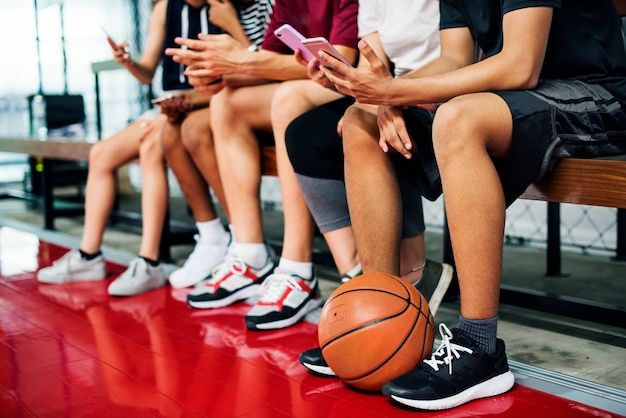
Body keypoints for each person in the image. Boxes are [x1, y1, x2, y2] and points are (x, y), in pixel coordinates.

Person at [316, 0, 626, 411]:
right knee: (361, 119)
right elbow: (453, 58)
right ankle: (378, 317)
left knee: (459, 118)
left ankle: (480, 349)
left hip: (596, 93)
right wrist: (377, 95)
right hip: (518, 98)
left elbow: (520, 66)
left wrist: (397, 91)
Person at [36, 0, 256, 297]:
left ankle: (150, 260)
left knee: (153, 145)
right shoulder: (166, 8)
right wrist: (127, 60)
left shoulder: (226, 8)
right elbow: (146, 73)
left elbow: (251, 70)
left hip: (207, 104)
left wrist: (232, 26)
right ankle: (89, 256)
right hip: (167, 105)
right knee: (101, 154)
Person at [165, 0, 360, 330]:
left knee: (287, 99)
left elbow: (343, 60)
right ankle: (250, 254)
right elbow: (266, 64)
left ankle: (297, 269)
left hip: (348, 86)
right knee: (224, 103)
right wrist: (217, 74)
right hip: (308, 84)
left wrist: (239, 61)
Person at [284, 0, 454, 377]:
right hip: (393, 89)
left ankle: (386, 308)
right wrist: (342, 80)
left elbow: (464, 57)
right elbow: (369, 66)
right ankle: (373, 282)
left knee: (361, 123)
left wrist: (389, 95)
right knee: (304, 135)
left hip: (448, 89)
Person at [160, 0, 275, 289]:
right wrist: (190, 97)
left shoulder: (246, 10)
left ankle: (247, 243)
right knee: (172, 131)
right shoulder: (217, 11)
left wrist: (231, 23)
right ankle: (215, 237)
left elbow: (268, 66)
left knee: (196, 128)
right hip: (238, 98)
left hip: (266, 98)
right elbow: (225, 76)